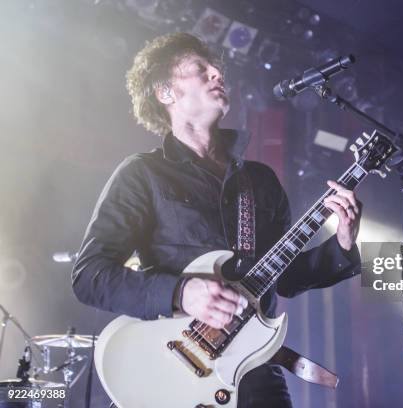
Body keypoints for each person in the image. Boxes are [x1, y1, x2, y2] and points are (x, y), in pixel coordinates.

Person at [71, 32, 362, 408]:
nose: (216, 74)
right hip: (170, 369)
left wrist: (342, 244)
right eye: (200, 69)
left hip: (254, 370)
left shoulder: (259, 179)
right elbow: (90, 276)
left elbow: (285, 278)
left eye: (217, 69)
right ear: (165, 93)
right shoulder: (142, 175)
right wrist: (179, 292)